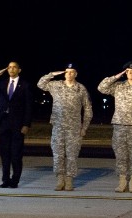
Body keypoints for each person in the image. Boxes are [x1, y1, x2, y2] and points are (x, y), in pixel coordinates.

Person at [97, 61, 132, 193]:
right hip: (120, 125)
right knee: (120, 155)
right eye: (127, 71)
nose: (130, 72)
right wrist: (116, 76)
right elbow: (101, 87)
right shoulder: (118, 86)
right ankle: (122, 181)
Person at [36, 63, 93, 191]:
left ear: (76, 74)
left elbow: (88, 109)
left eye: (72, 72)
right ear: (64, 73)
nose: (69, 74)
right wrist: (52, 74)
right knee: (58, 155)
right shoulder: (56, 85)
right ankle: (60, 179)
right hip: (58, 126)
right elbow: (40, 84)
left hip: (74, 128)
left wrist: (84, 128)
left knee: (72, 155)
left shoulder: (81, 89)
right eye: (67, 72)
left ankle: (69, 180)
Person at [0, 61, 33, 189]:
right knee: (4, 153)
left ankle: (15, 180)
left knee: (16, 154)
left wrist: (26, 124)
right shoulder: (2, 83)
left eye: (14, 67)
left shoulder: (25, 85)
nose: (11, 69)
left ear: (19, 70)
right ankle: (5, 179)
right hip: (3, 122)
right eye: (9, 67)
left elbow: (29, 106)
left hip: (18, 124)